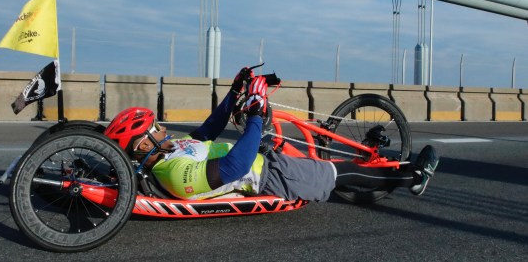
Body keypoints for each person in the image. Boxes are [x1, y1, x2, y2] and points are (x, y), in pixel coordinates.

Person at [105, 67, 439, 202]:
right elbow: (234, 169)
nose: (163, 127)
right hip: (271, 176)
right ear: (145, 142)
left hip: (262, 159)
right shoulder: (174, 171)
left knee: (278, 129)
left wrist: (235, 92)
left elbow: (209, 129)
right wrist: (253, 111)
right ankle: (412, 177)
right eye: (156, 127)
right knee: (342, 173)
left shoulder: (170, 151)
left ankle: (370, 156)